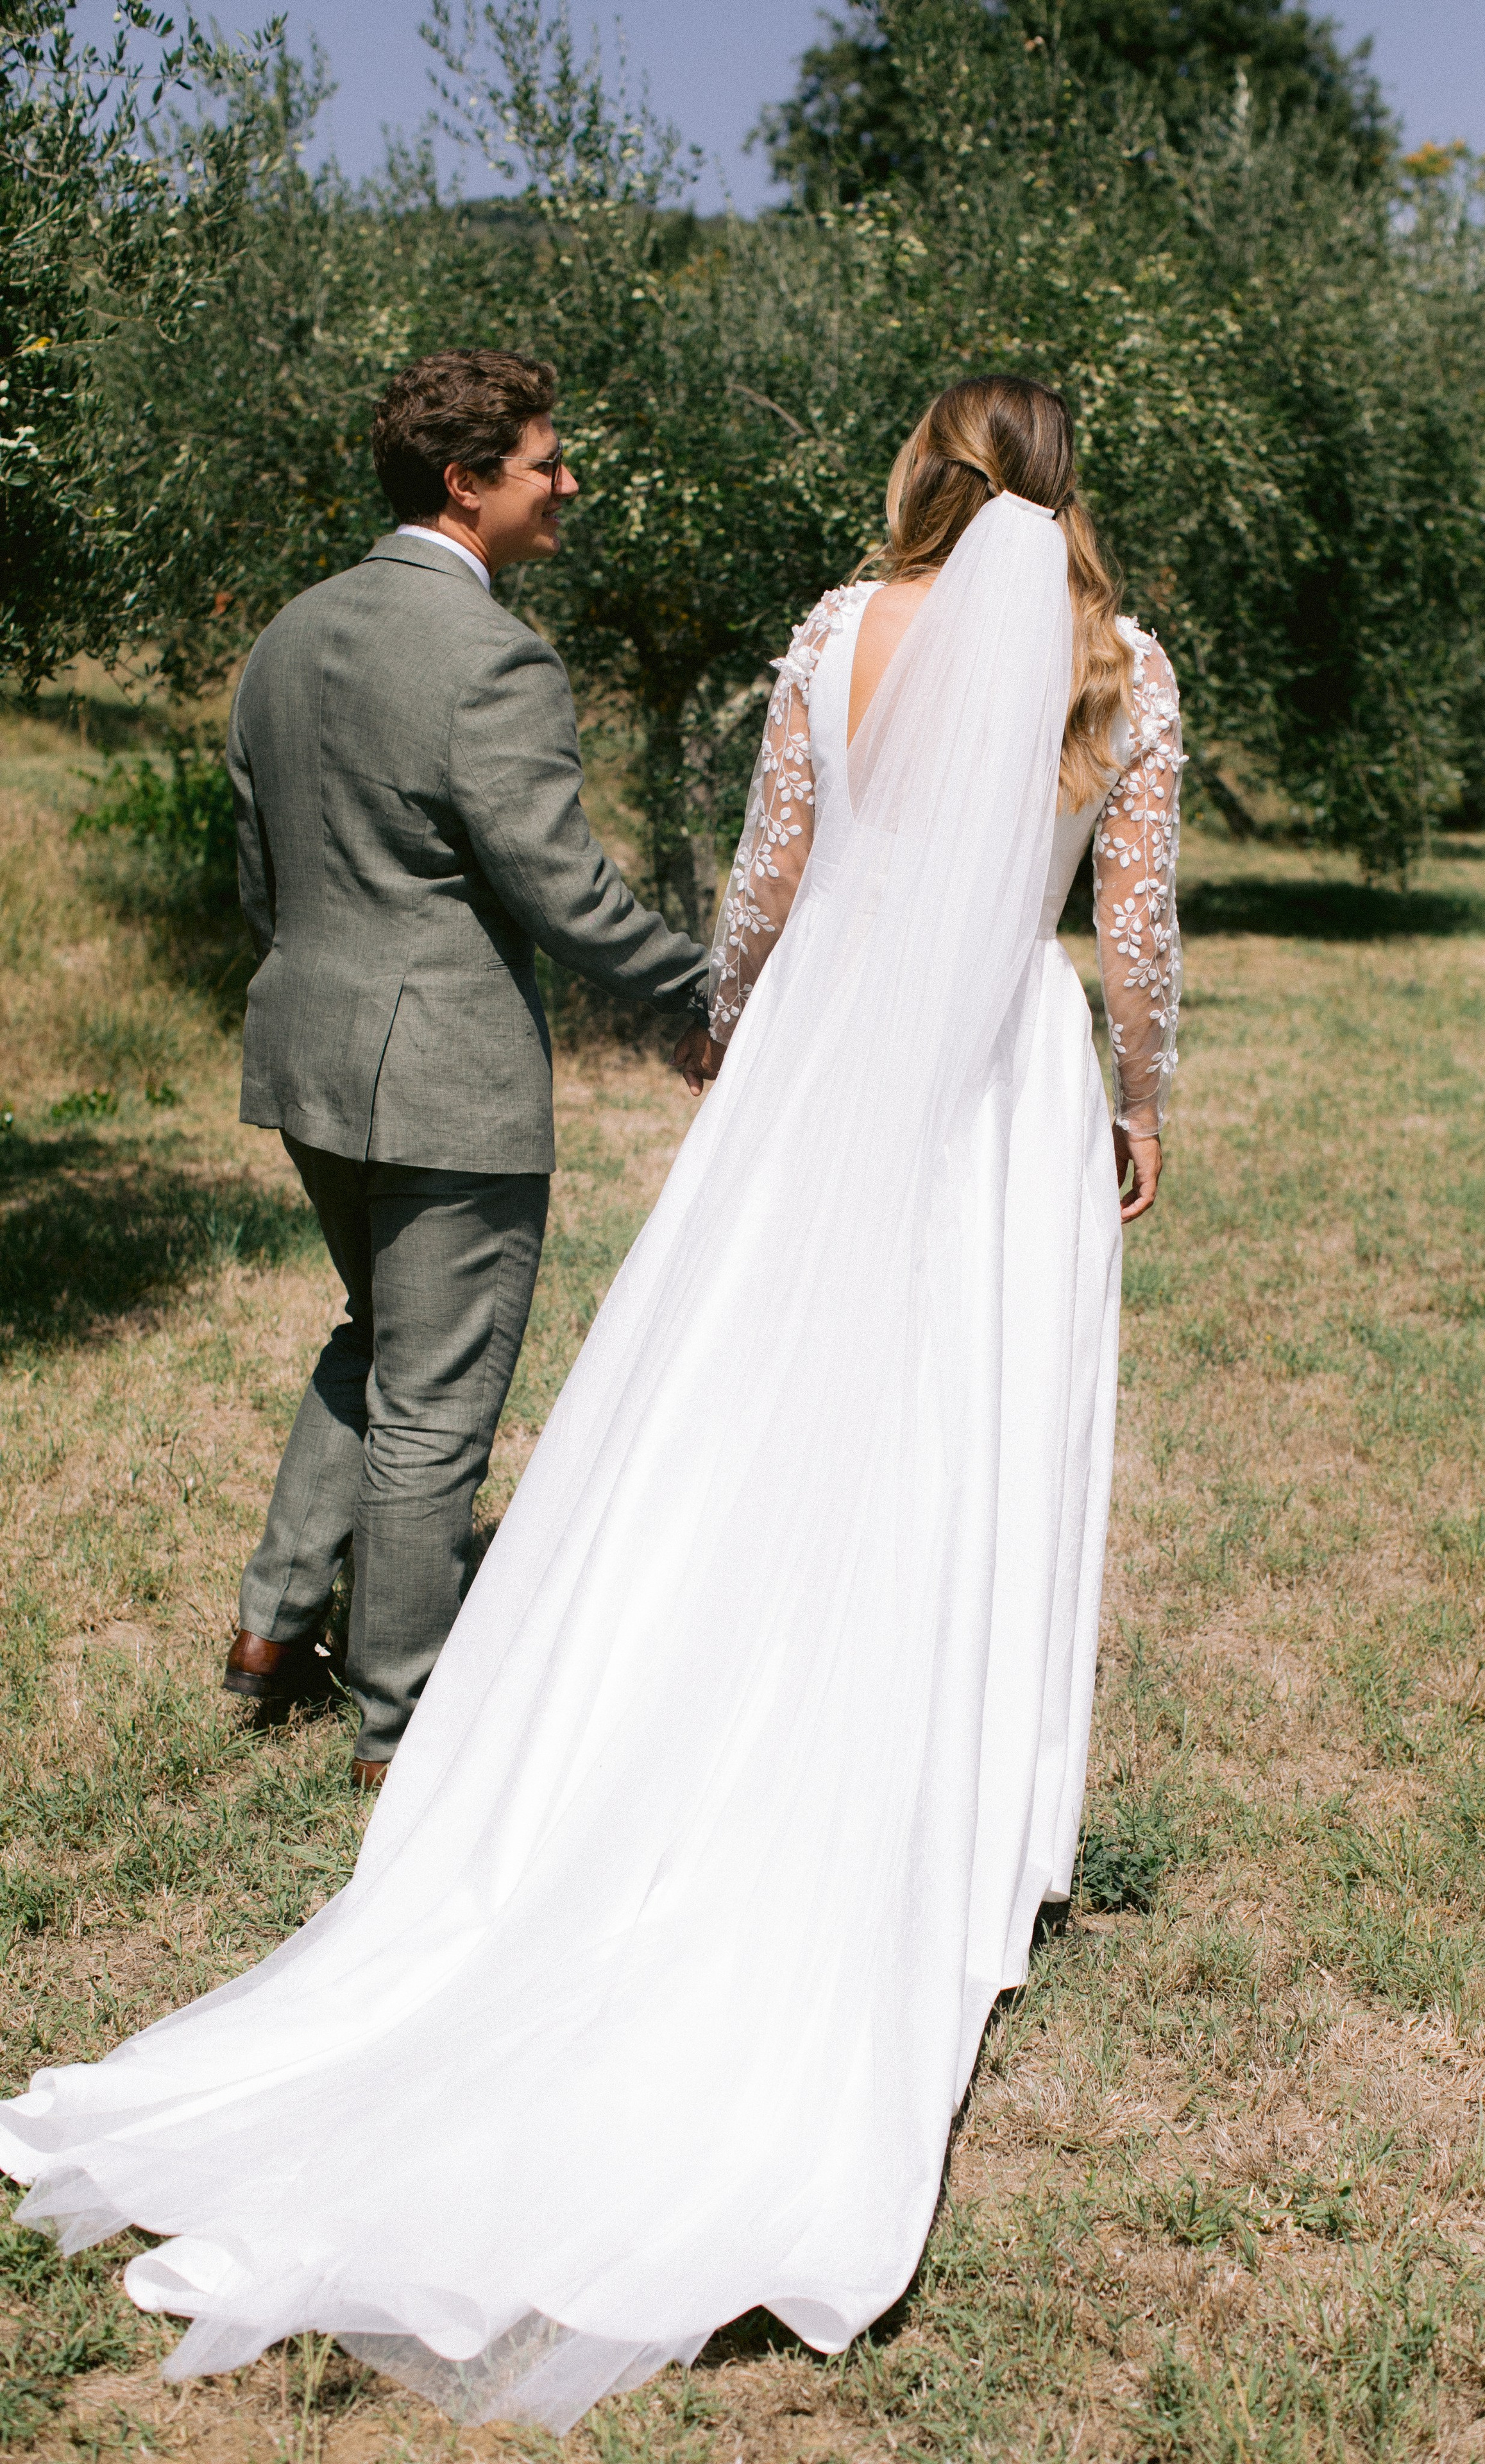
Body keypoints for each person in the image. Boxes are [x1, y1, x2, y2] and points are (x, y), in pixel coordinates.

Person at [0, 377, 1182, 2431]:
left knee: (729, 1425)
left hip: (816, 1070)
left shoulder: (832, 634)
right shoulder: (1121, 659)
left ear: (919, 472)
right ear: (1068, 486)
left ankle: (634, 1722)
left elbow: (764, 879)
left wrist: (741, 1029)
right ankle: (948, 1821)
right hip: (1005, 1085)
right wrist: (1141, 1096)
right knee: (958, 1439)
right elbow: (1139, 931)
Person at [219, 349, 712, 1785]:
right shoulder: (492, 654)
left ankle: (269, 1633)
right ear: (465, 482)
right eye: (547, 463)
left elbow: (263, 876)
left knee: (376, 1339)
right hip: (444, 1078)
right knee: (436, 1397)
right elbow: (559, 886)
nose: (568, 485)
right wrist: (699, 990)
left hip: (305, 1049)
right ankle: (402, 1730)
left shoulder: (286, 635)